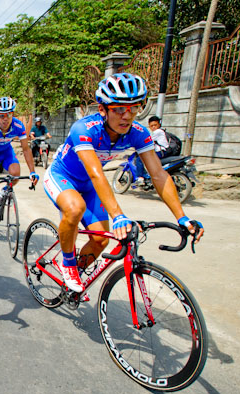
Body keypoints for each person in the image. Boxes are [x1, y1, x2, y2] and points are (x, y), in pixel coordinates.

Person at [42, 73, 203, 293]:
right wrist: (118, 215)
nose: (126, 116)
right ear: (103, 110)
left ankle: (73, 278)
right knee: (74, 208)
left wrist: (182, 217)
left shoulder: (138, 133)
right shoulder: (84, 128)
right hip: (62, 176)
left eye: (133, 108)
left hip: (89, 185)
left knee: (100, 241)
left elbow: (158, 175)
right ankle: (68, 263)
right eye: (118, 109)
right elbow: (98, 173)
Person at [0, 97, 39, 234]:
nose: (5, 119)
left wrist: (32, 171)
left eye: (8, 115)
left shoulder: (18, 126)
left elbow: (26, 149)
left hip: (7, 152)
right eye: (1, 116)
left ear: (13, 114)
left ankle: (4, 192)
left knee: (15, 174)